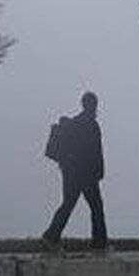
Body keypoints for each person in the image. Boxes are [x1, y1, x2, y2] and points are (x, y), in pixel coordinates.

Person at [42, 90, 108, 249]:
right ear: (92, 105)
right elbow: (94, 151)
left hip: (71, 174)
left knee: (68, 205)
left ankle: (50, 237)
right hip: (86, 175)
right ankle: (99, 243)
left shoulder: (75, 123)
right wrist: (99, 171)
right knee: (96, 208)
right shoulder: (91, 124)